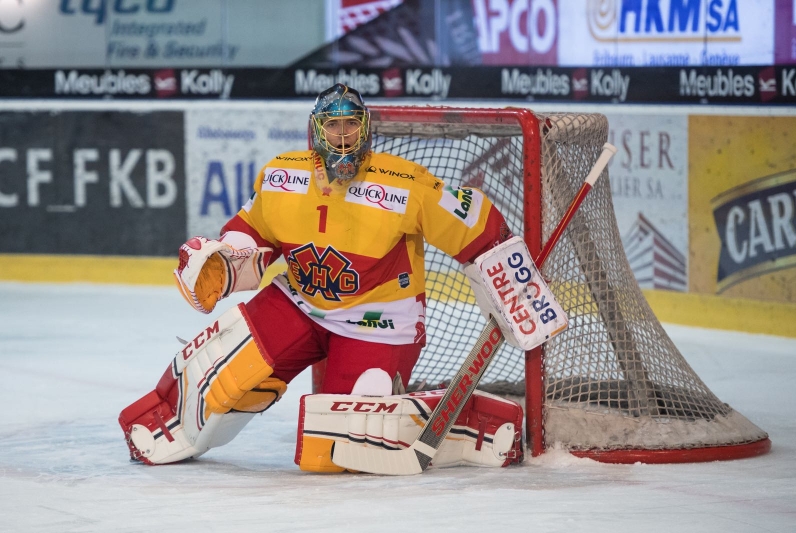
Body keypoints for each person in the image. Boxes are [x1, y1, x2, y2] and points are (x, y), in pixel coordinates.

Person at [118, 84, 523, 471]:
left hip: (377, 322)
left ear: (365, 128)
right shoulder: (282, 176)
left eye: (351, 124)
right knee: (219, 373)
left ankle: (458, 423)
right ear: (316, 130)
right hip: (298, 303)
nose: (343, 135)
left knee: (336, 450)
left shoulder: (404, 184)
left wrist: (513, 276)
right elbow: (252, 230)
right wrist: (227, 256)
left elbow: (473, 224)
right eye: (333, 124)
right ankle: (173, 423)